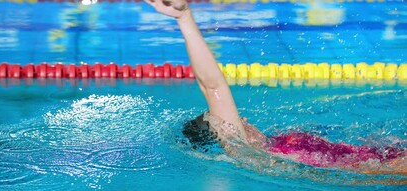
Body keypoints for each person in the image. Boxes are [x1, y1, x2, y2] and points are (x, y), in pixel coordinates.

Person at [144, 0, 406, 177]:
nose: (242, 119)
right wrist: (184, 18)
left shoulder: (269, 145)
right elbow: (212, 85)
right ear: (220, 135)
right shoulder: (247, 151)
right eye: (228, 120)